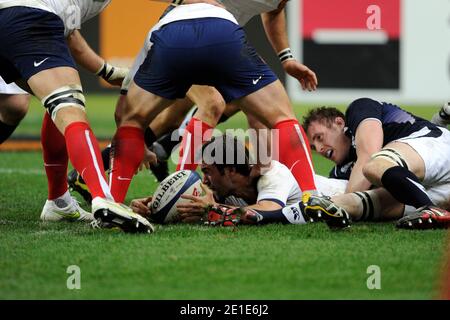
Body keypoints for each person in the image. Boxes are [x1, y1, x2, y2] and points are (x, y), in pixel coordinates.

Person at [108, 1, 318, 210]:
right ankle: (312, 197)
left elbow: (122, 111)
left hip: (172, 37)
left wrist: (287, 58)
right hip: (220, 32)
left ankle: (112, 204)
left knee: (139, 120)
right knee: (276, 115)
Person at [0, 0, 158, 233]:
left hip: (14, 19)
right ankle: (104, 199)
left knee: (53, 103)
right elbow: (73, 40)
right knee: (69, 109)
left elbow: (70, 34)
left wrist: (107, 71)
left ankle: (59, 200)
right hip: (28, 17)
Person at [130, 134, 347, 227]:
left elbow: (266, 211)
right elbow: (185, 203)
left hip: (348, 194)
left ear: (230, 169)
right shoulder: (224, 191)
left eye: (208, 171)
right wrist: (150, 206)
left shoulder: (272, 173)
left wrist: (213, 209)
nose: (204, 180)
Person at [301, 98, 450, 229]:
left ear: (339, 122)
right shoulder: (339, 172)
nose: (319, 149)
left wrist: (345, 201)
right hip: (427, 188)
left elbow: (368, 155)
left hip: (437, 147)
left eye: (319, 137)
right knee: (348, 203)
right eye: (313, 146)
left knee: (374, 165)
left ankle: (430, 208)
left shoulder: (359, 109)